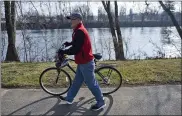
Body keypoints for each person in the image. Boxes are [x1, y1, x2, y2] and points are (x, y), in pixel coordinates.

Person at [58, 13, 106, 111]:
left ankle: (101, 102)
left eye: (72, 19)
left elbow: (76, 49)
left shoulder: (80, 31)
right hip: (82, 61)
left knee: (91, 83)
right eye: (70, 19)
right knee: (77, 82)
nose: (70, 21)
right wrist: (69, 43)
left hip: (86, 62)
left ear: (79, 20)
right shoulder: (77, 30)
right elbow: (77, 43)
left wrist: (63, 51)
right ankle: (69, 98)